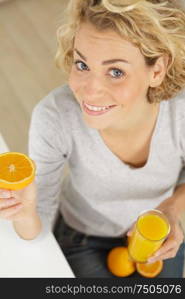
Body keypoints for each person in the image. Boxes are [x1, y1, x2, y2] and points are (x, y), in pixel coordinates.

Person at [0, 0, 185, 277]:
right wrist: (26, 213)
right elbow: (37, 232)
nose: (90, 90)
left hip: (158, 230)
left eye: (116, 71)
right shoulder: (55, 116)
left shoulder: (179, 113)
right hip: (82, 237)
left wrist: (172, 208)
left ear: (157, 70)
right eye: (82, 64)